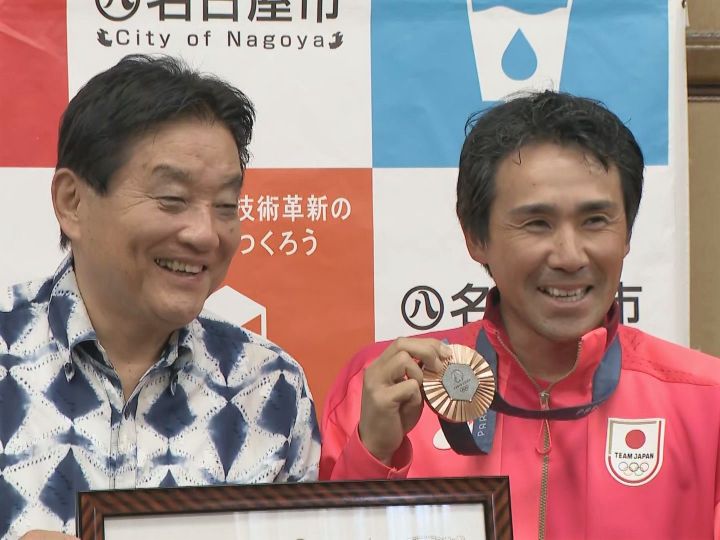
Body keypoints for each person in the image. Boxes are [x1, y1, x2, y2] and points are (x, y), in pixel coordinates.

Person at [320, 91, 720, 539]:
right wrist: (373, 456)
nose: (569, 256)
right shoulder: (385, 387)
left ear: (627, 233)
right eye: (536, 223)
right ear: (476, 237)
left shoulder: (709, 402)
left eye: (595, 220)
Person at [0, 55, 320, 540]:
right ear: (72, 202)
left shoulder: (269, 385)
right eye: (172, 199)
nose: (205, 234)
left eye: (226, 206)